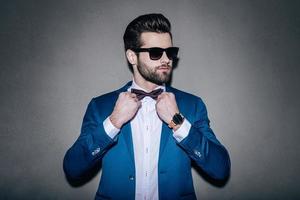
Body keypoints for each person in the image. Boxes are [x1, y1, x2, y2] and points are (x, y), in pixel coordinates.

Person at [63, 13, 230, 200]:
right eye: (156, 52)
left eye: (171, 52)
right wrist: (114, 121)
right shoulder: (100, 106)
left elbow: (220, 169)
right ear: (132, 56)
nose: (166, 59)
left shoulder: (192, 105)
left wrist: (179, 122)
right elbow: (73, 168)